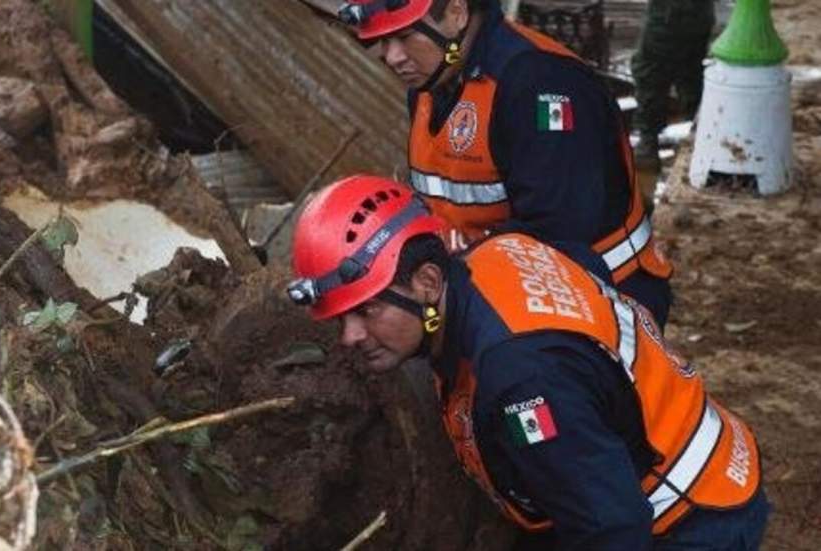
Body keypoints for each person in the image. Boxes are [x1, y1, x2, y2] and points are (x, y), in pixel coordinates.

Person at [287, 175, 768, 551]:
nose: (350, 336)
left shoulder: (521, 381)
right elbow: (588, 267)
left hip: (688, 519)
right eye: (340, 318)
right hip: (665, 466)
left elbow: (613, 527)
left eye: (367, 311)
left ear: (428, 282)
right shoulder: (499, 251)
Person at [337, 0, 675, 327]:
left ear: (457, 12)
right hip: (500, 289)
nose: (392, 56)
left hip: (602, 299)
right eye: (383, 41)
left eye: (406, 36)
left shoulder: (541, 85)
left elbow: (561, 229)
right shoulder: (433, 81)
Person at [631, 0, 716, 172]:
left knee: (650, 73)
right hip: (700, 14)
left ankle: (648, 144)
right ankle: (701, 136)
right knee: (691, 72)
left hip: (669, 16)